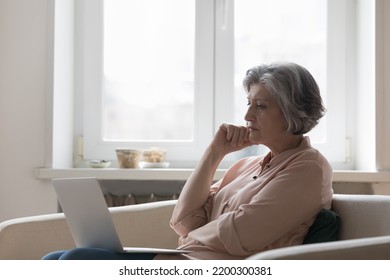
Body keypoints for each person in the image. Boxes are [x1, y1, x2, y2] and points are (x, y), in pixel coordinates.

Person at [43, 62, 333, 260]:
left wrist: (188, 243)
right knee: (52, 258)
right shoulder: (248, 166)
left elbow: (242, 235)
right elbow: (183, 221)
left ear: (292, 111)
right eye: (248, 104)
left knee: (76, 259)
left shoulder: (307, 168)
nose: (247, 117)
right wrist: (214, 153)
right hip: (186, 260)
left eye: (260, 106)